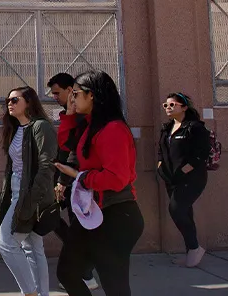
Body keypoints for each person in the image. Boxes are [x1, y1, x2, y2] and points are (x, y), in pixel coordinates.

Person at [55, 71, 144, 296]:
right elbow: (67, 143)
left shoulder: (113, 129)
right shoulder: (89, 125)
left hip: (116, 215)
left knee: (115, 286)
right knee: (67, 272)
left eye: (75, 94)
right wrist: (69, 114)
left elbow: (116, 178)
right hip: (93, 213)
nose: (71, 99)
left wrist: (80, 177)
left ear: (92, 95)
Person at [0, 86, 58, 296]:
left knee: (6, 242)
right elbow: (11, 166)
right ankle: (41, 294)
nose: (9, 104)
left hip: (29, 193)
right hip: (15, 190)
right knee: (33, 246)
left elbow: (46, 166)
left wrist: (32, 199)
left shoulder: (40, 127)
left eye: (15, 100)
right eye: (8, 100)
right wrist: (2, 195)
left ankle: (30, 292)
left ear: (29, 102)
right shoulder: (16, 128)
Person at [47, 73, 99, 290]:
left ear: (71, 91)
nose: (55, 97)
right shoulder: (70, 116)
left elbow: (73, 152)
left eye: (58, 93)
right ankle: (84, 268)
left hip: (75, 181)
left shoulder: (83, 118)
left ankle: (85, 272)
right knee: (51, 218)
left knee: (76, 226)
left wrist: (63, 181)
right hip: (66, 177)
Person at [157, 92, 212, 268]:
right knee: (185, 212)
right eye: (166, 105)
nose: (168, 108)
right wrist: (160, 167)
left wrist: (184, 171)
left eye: (172, 105)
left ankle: (195, 247)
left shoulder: (195, 127)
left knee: (176, 209)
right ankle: (191, 252)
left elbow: (201, 154)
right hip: (170, 178)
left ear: (184, 107)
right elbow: (161, 151)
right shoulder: (166, 129)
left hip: (191, 179)